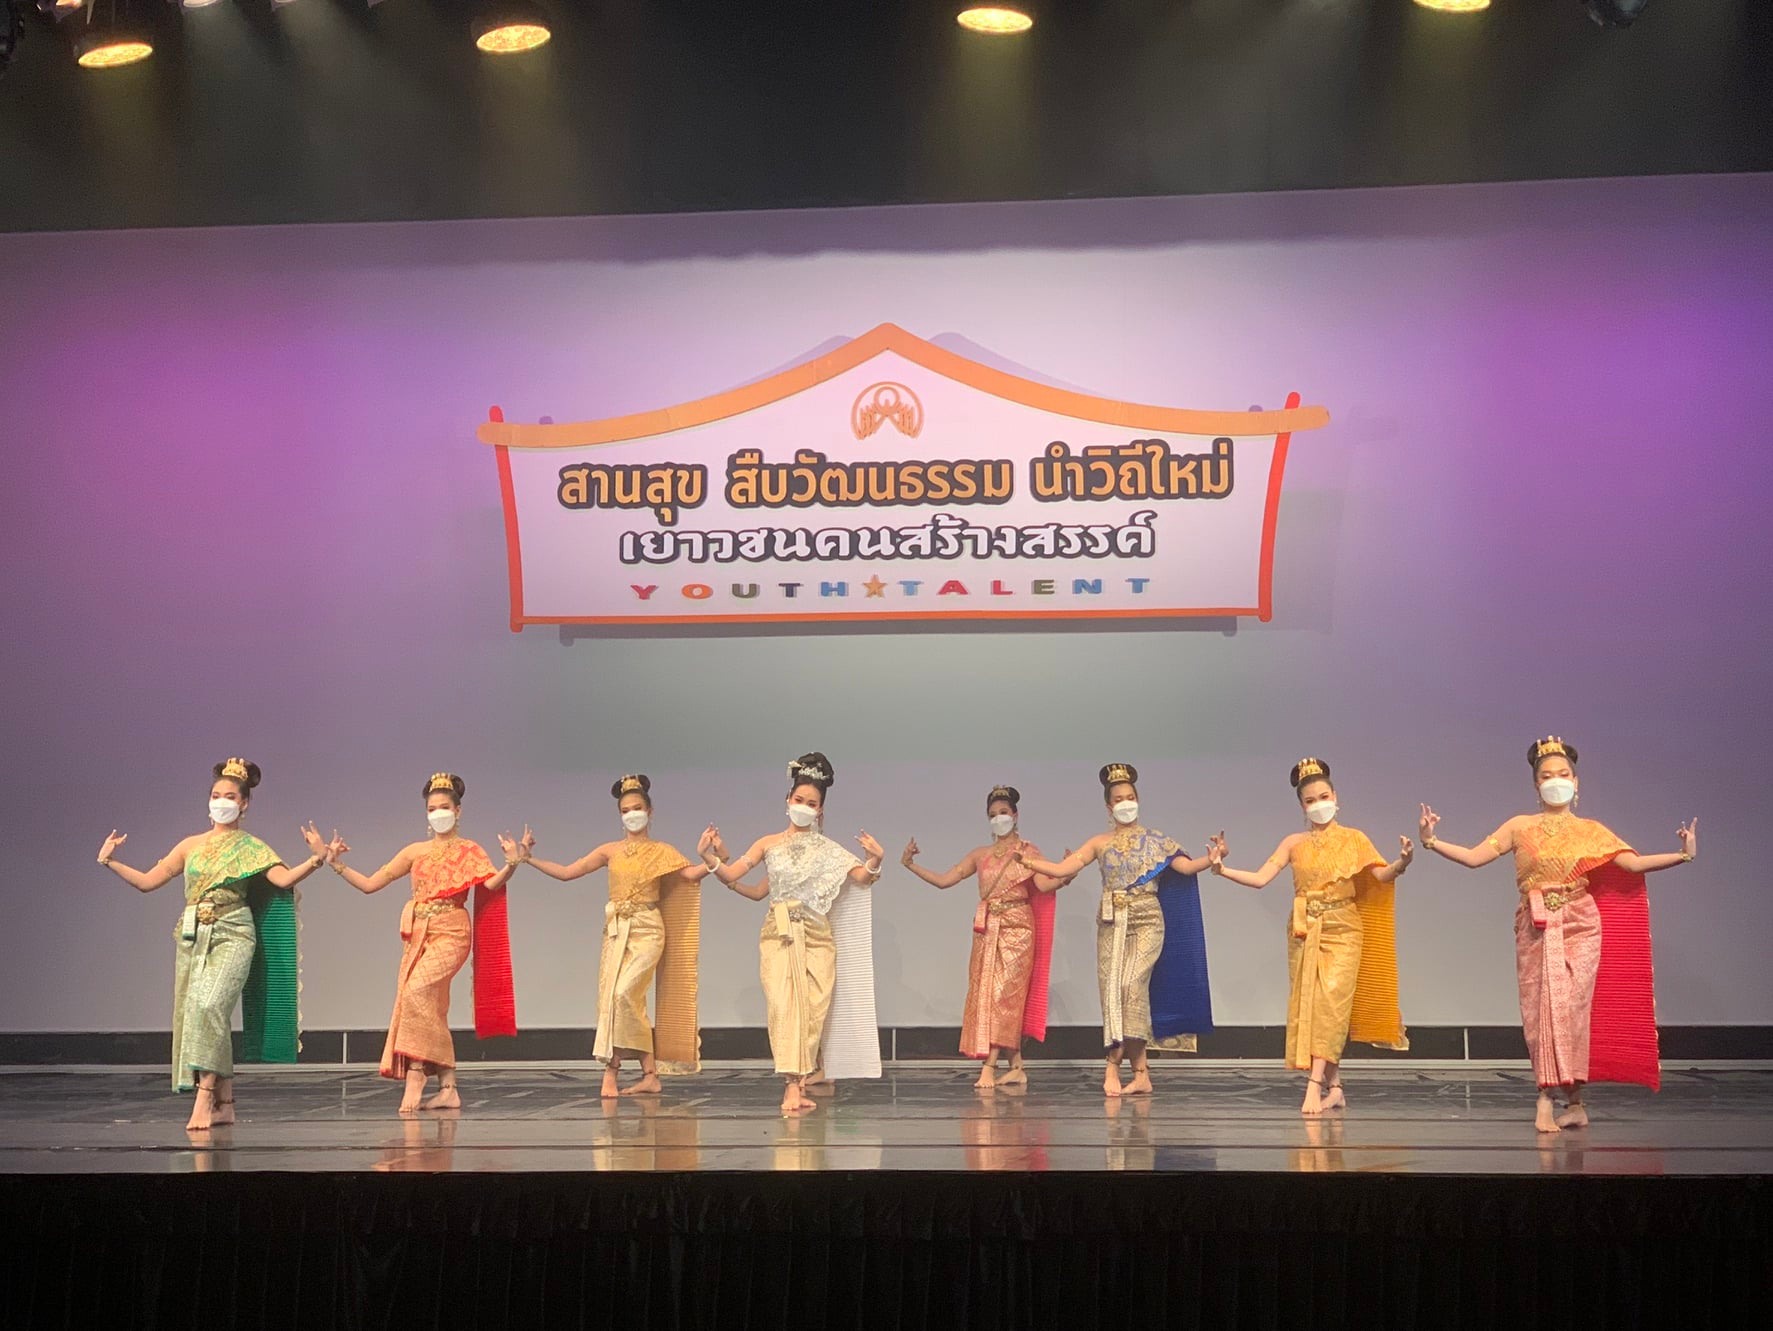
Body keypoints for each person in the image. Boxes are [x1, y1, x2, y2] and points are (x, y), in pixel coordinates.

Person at [1420, 737, 1698, 1132]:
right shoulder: (1519, 826)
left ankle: (1567, 1100)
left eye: (1563, 774)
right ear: (1536, 784)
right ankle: (1553, 1098)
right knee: (1540, 1011)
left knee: (1571, 1010)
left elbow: (1632, 865)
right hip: (1536, 924)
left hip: (1581, 923)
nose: (1556, 781)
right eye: (1547, 776)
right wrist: (1431, 841)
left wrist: (1683, 854)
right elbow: (1474, 857)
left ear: (1576, 781)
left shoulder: (1591, 831)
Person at [97, 757, 329, 1131]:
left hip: (234, 933)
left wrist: (317, 859)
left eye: (230, 796)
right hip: (194, 936)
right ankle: (227, 1104)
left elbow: (283, 880)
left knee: (209, 1005)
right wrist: (110, 862)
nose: (222, 802)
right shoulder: (190, 845)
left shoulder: (251, 847)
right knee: (202, 1014)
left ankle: (204, 1097)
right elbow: (148, 882)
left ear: (244, 803)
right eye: (217, 795)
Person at [1206, 757, 1413, 1115]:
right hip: (1304, 929)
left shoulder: (1354, 839)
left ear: (1336, 797)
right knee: (1314, 1009)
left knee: (1332, 1006)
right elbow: (1260, 878)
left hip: (1344, 928)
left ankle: (1314, 1086)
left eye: (1324, 797)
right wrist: (1221, 869)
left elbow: (1380, 876)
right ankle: (1336, 1089)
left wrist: (1402, 862)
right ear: (1302, 807)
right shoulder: (1294, 843)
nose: (1319, 805)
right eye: (1310, 800)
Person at [502, 774, 712, 1098]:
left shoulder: (662, 851)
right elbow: (568, 872)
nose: (632, 814)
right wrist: (528, 859)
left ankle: (614, 1072)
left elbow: (690, 875)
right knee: (614, 1000)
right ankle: (647, 1074)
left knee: (624, 994)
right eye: (626, 810)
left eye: (637, 808)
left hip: (647, 929)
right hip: (616, 932)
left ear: (650, 811)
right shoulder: (610, 851)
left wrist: (712, 858)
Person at [699, 752, 886, 1115]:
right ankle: (791, 1085)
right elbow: (736, 875)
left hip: (817, 937)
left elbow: (862, 877)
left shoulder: (829, 851)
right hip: (779, 934)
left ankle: (801, 1081)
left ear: (820, 810)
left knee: (812, 1011)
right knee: (783, 1007)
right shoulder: (768, 843)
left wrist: (876, 860)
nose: (804, 807)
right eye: (799, 799)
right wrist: (709, 858)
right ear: (787, 800)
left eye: (811, 803)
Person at [1018, 763, 1216, 1097]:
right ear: (1109, 807)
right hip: (1111, 923)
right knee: (1113, 993)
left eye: (1130, 797)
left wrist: (1213, 859)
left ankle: (1112, 1064)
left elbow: (1185, 867)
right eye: (1118, 799)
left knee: (1130, 986)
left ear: (1138, 800)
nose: (1125, 803)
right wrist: (1028, 862)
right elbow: (1064, 868)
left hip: (1147, 920)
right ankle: (1140, 1073)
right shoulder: (1099, 842)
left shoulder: (1156, 841)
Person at [327, 772, 520, 1113]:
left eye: (444, 807)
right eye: (432, 809)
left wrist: (511, 864)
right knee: (432, 1004)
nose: (438, 813)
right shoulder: (415, 851)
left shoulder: (470, 851)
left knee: (417, 991)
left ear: (458, 811)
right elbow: (372, 884)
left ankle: (416, 1073)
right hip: (419, 932)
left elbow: (490, 885)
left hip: (453, 931)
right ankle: (448, 1088)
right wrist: (337, 865)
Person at [901, 784, 1073, 1089]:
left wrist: (1067, 873)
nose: (998, 819)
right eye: (993, 814)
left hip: (1018, 930)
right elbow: (945, 880)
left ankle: (989, 1067)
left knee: (1003, 997)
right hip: (987, 929)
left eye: (1003, 812)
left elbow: (1044, 885)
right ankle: (1016, 1067)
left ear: (1015, 815)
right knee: (988, 997)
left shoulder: (1027, 853)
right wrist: (911, 865)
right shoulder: (980, 855)